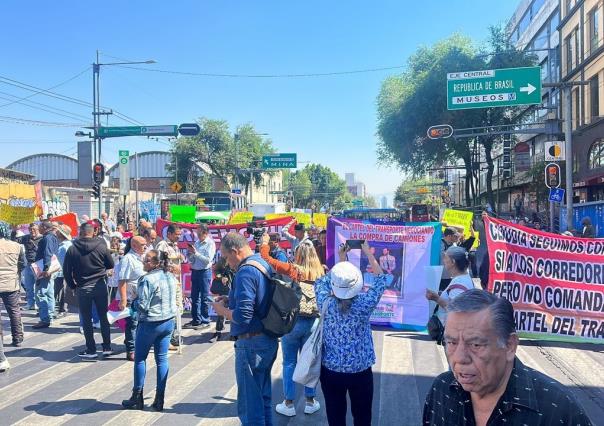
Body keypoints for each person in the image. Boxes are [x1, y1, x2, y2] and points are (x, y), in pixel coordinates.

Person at [423, 289, 593, 426]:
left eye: (475, 345)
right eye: (451, 342)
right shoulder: (442, 389)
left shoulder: (558, 408)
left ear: (510, 345)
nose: (459, 358)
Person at [315, 242, 385, 425]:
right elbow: (380, 280)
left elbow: (321, 282)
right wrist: (368, 253)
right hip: (360, 371)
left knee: (335, 417)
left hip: (331, 370)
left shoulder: (324, 302)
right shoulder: (364, 304)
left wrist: (340, 262)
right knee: (362, 417)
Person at [211, 232, 277, 426]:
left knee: (250, 407)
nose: (226, 262)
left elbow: (243, 316)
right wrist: (230, 300)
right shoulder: (261, 262)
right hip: (266, 339)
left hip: (251, 343)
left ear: (234, 251)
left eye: (225, 256)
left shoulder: (246, 271)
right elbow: (257, 299)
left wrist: (222, 310)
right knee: (263, 400)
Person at [259, 234, 324, 417]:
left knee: (289, 362)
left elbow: (267, 259)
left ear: (298, 254)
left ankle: (288, 403)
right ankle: (310, 401)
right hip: (313, 322)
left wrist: (264, 243)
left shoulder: (295, 270)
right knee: (309, 362)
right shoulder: (321, 272)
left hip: (293, 322)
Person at [121, 249, 177, 412]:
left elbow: (143, 306)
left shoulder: (147, 279)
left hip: (150, 323)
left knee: (140, 358)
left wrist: (133, 303)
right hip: (168, 321)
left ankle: (137, 397)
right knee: (162, 359)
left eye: (147, 260)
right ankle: (159, 399)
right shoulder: (170, 276)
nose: (143, 263)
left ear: (155, 263)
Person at [63, 222, 114, 359]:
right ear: (93, 232)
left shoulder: (72, 249)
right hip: (100, 285)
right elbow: (111, 264)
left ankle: (91, 349)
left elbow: (66, 271)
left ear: (81, 232)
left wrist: (73, 286)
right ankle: (107, 347)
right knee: (103, 317)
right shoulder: (102, 246)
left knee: (86, 319)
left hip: (83, 287)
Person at [425, 246, 473, 328]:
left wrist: (436, 298)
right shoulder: (463, 278)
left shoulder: (460, 282)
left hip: (453, 330)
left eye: (446, 258)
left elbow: (455, 308)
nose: (444, 261)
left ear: (453, 262)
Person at [156, 225, 184, 351]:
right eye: (177, 234)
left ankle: (173, 336)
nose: (179, 236)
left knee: (178, 308)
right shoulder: (162, 245)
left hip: (176, 282)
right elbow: (158, 263)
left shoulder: (175, 246)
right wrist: (171, 267)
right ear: (170, 233)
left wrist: (180, 259)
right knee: (170, 310)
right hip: (166, 282)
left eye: (180, 234)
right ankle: (165, 339)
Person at [118, 236, 146, 361]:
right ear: (134, 246)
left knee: (141, 323)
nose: (145, 246)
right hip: (131, 297)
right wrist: (123, 299)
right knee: (133, 324)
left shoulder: (142, 257)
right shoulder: (128, 259)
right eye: (142, 244)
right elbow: (122, 280)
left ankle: (136, 344)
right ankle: (131, 350)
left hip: (142, 297)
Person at [184, 224, 216, 330]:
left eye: (199, 233)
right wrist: (189, 255)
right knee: (194, 297)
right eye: (197, 233)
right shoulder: (197, 243)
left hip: (204, 272)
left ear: (205, 233)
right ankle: (196, 320)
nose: (197, 235)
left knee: (204, 297)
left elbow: (208, 260)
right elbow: (193, 260)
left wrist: (196, 253)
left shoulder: (210, 244)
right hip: (195, 271)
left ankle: (205, 320)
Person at [0, 221, 26, 347]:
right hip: (11, 283)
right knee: (14, 311)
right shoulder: (16, 246)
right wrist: (15, 271)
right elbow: (23, 264)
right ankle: (17, 338)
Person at [32, 220, 59, 329]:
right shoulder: (52, 237)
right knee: (49, 293)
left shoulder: (47, 238)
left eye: (39, 227)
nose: (38, 229)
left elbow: (48, 253)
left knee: (40, 294)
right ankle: (50, 316)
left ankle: (45, 319)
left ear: (44, 227)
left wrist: (46, 269)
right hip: (50, 268)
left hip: (45, 269)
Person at [18, 222, 42, 310]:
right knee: (29, 285)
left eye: (34, 229)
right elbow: (15, 240)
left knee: (38, 286)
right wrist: (14, 230)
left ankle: (37, 303)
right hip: (29, 263)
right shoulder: (26, 237)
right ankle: (30, 303)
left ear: (38, 229)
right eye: (30, 229)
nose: (32, 231)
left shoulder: (42, 238)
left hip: (38, 264)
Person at [210, 256, 233, 340]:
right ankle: (218, 331)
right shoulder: (222, 259)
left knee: (234, 311)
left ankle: (234, 333)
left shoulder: (239, 258)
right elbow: (216, 271)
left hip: (235, 288)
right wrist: (221, 277)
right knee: (221, 310)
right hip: (224, 289)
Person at [54, 224, 73, 319]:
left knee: (63, 291)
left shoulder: (66, 246)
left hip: (63, 270)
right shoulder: (61, 244)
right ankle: (59, 309)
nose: (56, 232)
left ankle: (63, 309)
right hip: (58, 270)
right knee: (59, 290)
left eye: (58, 231)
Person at [439, 227, 459, 291]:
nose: (457, 237)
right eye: (455, 236)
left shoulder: (455, 245)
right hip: (440, 277)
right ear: (449, 236)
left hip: (452, 277)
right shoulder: (438, 243)